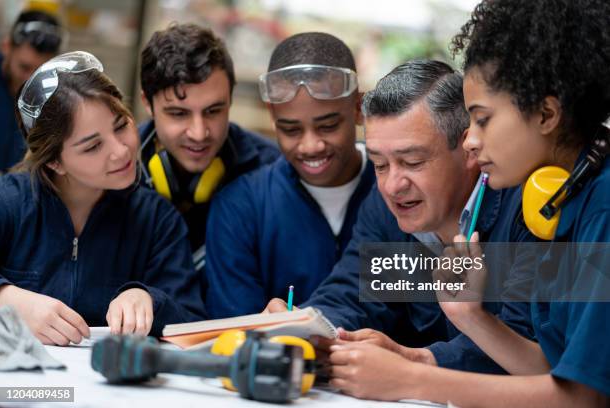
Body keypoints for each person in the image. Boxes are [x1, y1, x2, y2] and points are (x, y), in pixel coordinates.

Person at [323, 0, 610, 405]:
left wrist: (410, 379)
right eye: (380, 164)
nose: (472, 141)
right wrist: (468, 316)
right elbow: (546, 367)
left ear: (546, 114)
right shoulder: (565, 199)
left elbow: (583, 398)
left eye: (482, 118)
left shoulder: (600, 206)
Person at [266, 59, 535, 372]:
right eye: (379, 165)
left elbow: (530, 350)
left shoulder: (526, 209)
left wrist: (415, 361)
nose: (392, 186)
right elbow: (352, 292)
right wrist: (306, 325)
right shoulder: (384, 208)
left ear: (469, 150)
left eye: (412, 162)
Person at [0, 51, 206, 346]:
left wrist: (149, 298)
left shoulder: (157, 219)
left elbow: (195, 324)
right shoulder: (8, 203)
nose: (121, 151)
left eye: (121, 125)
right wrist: (7, 299)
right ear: (54, 162)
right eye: (93, 146)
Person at [204, 32, 375, 318]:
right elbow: (232, 331)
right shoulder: (240, 208)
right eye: (291, 130)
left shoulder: (399, 196)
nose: (311, 146)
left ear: (358, 108)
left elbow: (425, 318)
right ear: (272, 115)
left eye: (328, 126)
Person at [138, 23, 280, 274]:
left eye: (213, 111)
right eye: (179, 114)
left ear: (231, 99)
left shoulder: (272, 171)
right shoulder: (112, 168)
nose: (199, 133)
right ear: (147, 104)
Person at [0, 10, 63, 173]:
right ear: (6, 47)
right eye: (24, 67)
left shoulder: (59, 96)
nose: (31, 81)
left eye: (40, 71)